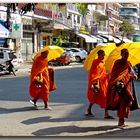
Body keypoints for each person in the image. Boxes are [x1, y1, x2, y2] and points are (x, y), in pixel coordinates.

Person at [106, 48, 137, 127]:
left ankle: (121, 121)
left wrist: (133, 76)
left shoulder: (128, 63)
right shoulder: (117, 62)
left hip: (126, 85)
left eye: (127, 54)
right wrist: (118, 81)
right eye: (125, 54)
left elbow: (129, 73)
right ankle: (121, 121)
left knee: (125, 103)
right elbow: (114, 74)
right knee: (122, 103)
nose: (126, 55)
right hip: (119, 86)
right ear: (121, 54)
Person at [85, 50, 113, 119]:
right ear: (98, 55)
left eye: (104, 55)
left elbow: (102, 73)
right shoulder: (95, 62)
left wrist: (107, 75)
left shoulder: (103, 63)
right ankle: (105, 113)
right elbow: (93, 73)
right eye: (102, 55)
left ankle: (90, 110)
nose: (103, 56)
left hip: (103, 82)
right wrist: (94, 81)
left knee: (103, 97)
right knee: (100, 97)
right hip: (97, 82)